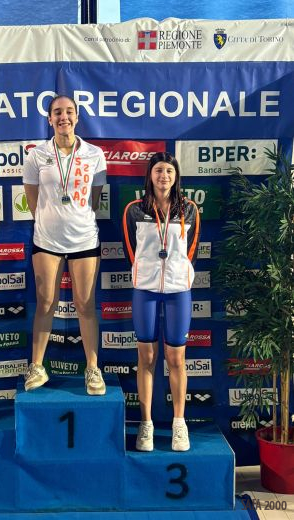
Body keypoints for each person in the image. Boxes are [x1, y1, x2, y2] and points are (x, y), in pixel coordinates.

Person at [22, 95, 107, 395]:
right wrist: (51, 222)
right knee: (45, 302)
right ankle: (37, 366)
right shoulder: (36, 155)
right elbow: (33, 200)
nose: (63, 117)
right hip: (46, 240)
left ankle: (92, 368)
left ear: (77, 117)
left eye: (69, 112)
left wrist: (73, 219)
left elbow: (94, 200)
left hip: (84, 239)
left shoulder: (95, 154)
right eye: (57, 112)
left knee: (85, 304)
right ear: (49, 119)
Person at [122, 152, 200, 451]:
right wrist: (144, 274)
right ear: (150, 175)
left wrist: (180, 273)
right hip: (145, 290)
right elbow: (131, 249)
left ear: (176, 175)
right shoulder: (134, 210)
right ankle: (146, 424)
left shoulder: (189, 209)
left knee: (176, 359)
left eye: (169, 170)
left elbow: (192, 249)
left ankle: (179, 424)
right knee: (146, 358)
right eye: (158, 170)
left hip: (179, 290)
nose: (163, 176)